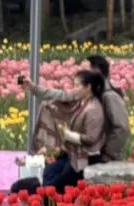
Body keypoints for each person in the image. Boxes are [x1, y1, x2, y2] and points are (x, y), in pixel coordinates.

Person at [11, 68, 105, 196]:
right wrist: (33, 88)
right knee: (49, 172)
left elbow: (92, 140)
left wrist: (70, 136)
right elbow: (55, 94)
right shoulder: (78, 101)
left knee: (53, 186)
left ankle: (42, 196)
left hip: (86, 158)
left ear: (88, 87)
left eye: (77, 85)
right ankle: (40, 195)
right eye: (74, 85)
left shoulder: (93, 109)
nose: (74, 89)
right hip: (71, 155)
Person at [84, 53, 130, 164]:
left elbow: (122, 128)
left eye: (88, 71)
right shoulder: (96, 94)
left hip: (105, 159)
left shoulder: (109, 96)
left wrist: (108, 154)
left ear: (97, 72)